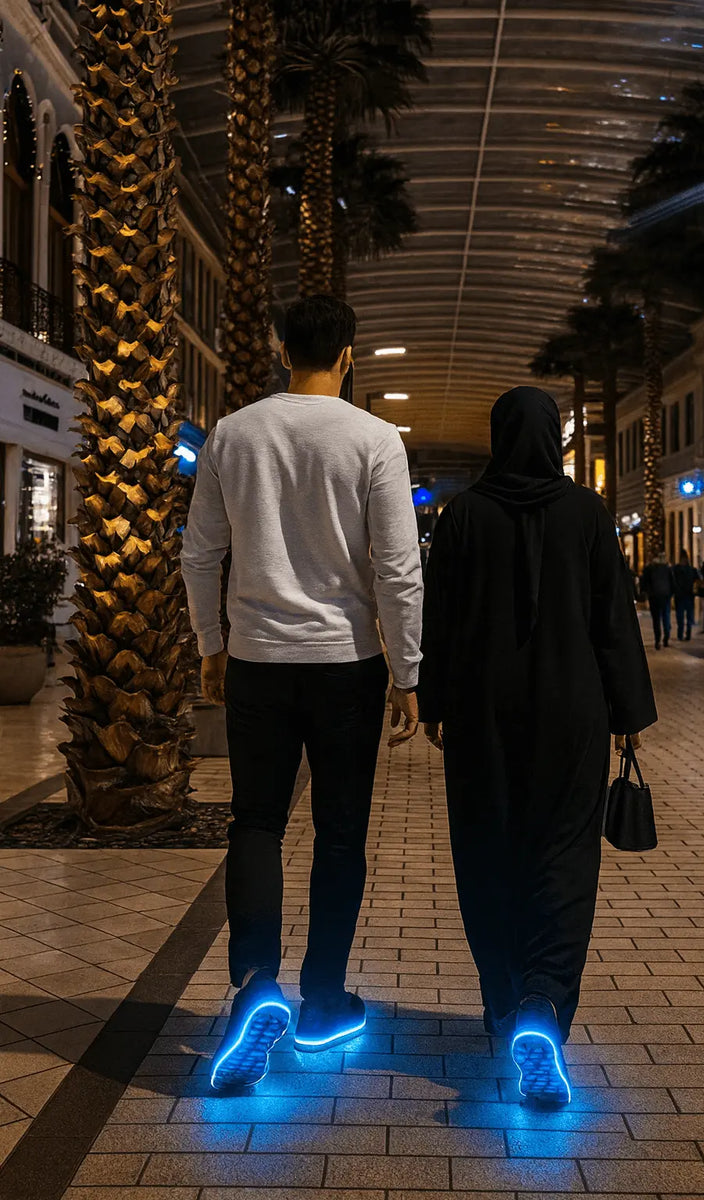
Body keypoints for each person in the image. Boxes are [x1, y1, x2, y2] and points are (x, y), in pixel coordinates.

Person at [181, 295, 423, 1089]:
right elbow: (397, 567)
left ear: (279, 346)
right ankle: (322, 1001)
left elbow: (198, 555)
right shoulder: (375, 439)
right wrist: (407, 671)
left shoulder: (234, 433)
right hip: (347, 665)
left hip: (256, 660)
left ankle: (256, 985)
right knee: (341, 833)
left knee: (254, 823)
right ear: (348, 354)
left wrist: (212, 649)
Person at [417, 387, 656, 1106]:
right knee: (563, 852)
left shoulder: (464, 516)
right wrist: (629, 711)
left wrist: (431, 702)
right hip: (572, 711)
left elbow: (441, 614)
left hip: (482, 712)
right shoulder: (585, 512)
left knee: (487, 847)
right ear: (553, 437)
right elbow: (611, 615)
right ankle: (544, 1005)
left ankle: (503, 998)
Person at [640, 551, 674, 649]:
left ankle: (657, 640)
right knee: (666, 616)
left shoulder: (649, 568)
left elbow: (644, 582)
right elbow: (672, 581)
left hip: (654, 596)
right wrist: (671, 593)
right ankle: (666, 635)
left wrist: (645, 593)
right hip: (665, 595)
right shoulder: (667, 568)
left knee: (656, 619)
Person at [672, 548, 699, 641]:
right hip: (688, 595)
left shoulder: (675, 569)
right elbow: (698, 580)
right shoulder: (691, 570)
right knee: (688, 616)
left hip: (680, 596)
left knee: (680, 617)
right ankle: (688, 633)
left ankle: (681, 634)